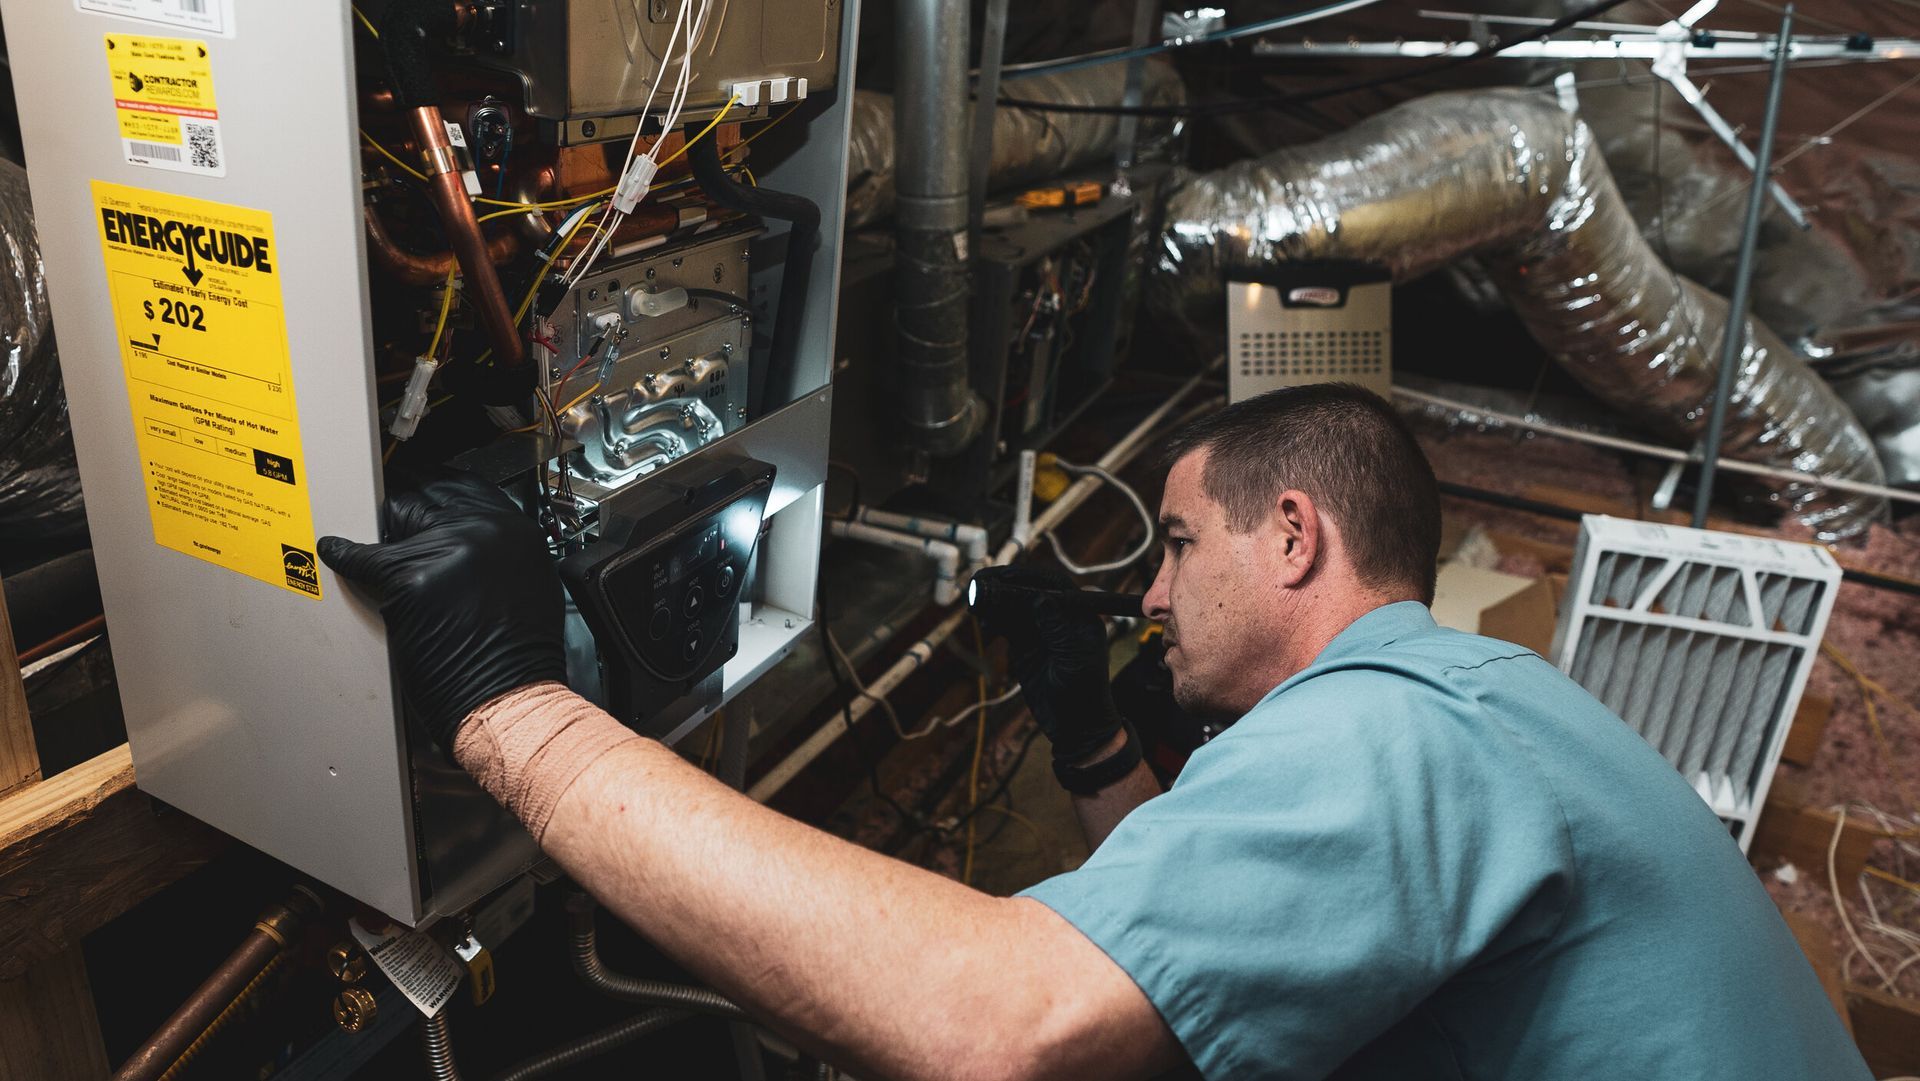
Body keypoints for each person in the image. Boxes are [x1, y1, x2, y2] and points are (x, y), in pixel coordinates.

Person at [320, 383, 1870, 1081]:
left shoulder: (1404, 730)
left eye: (1177, 543)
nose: (1149, 579)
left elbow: (1007, 1027)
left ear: (1293, 535)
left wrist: (516, 710)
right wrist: (1090, 744)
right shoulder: (1462, 708)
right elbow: (1203, 963)